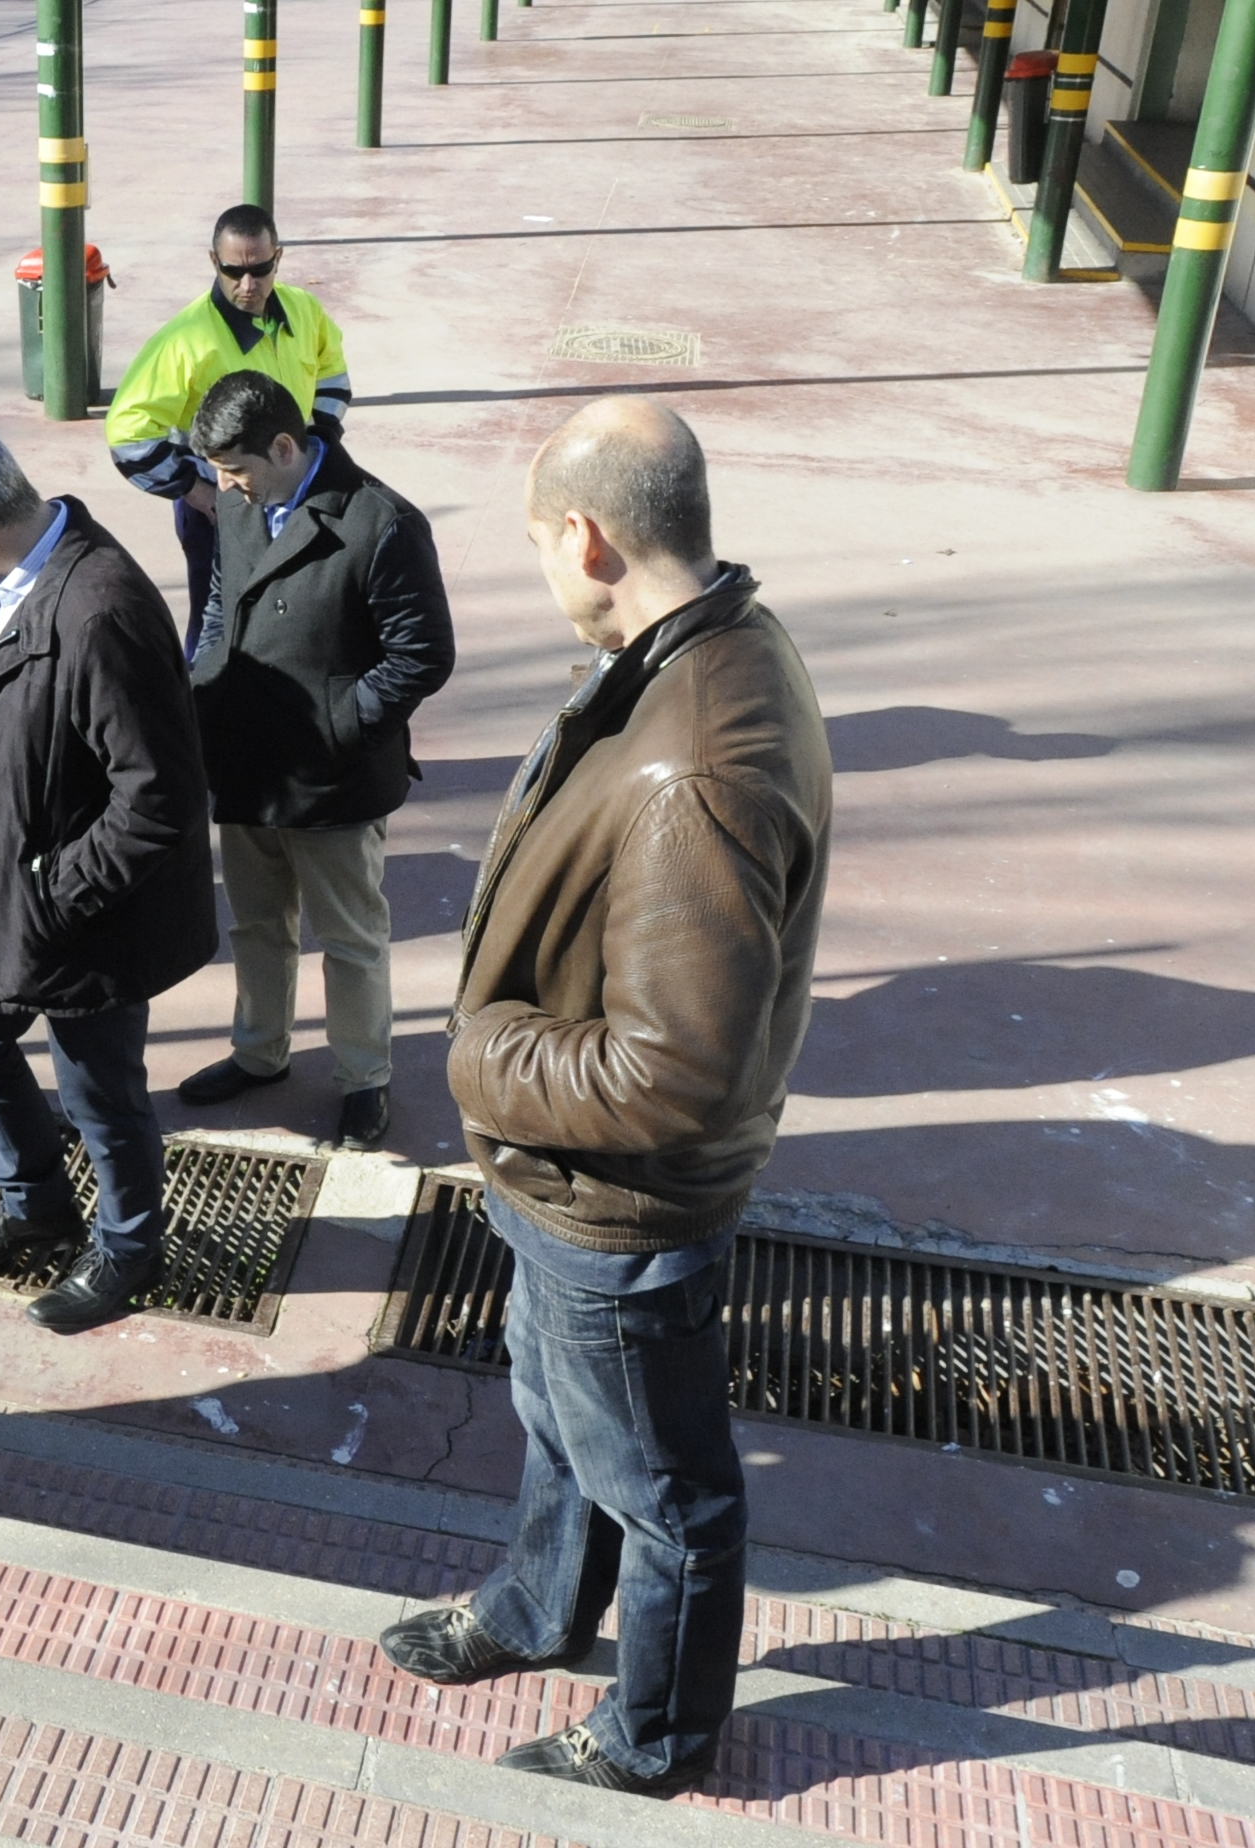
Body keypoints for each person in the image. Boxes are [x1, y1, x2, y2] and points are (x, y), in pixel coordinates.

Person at [376, 399, 832, 1799]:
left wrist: (474, 1056)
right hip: (561, 1182)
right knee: (557, 1414)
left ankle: (654, 1741)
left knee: (666, 1489)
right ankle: (538, 1610)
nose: (542, 571)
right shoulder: (710, 642)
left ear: (585, 536)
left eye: (536, 545)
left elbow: (672, 1073)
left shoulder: (694, 760)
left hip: (617, 1208)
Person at [0, 412, 216, 1333]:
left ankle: (130, 1248)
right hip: (9, 893)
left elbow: (160, 798)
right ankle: (36, 1205)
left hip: (85, 917)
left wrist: (53, 893)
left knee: (100, 1096)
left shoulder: (100, 611)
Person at [176, 373, 455, 1151]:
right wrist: (204, 689)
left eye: (236, 469)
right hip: (246, 764)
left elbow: (423, 655)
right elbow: (219, 605)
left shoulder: (381, 522)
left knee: (351, 937)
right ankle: (258, 1052)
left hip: (333, 778)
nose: (227, 486)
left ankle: (364, 1078)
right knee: (257, 924)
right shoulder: (238, 504)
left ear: (284, 447)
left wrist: (337, 726)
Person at [106, 203, 351, 649]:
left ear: (278, 257)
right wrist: (198, 493)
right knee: (218, 627)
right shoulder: (185, 340)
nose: (248, 285)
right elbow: (128, 434)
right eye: (233, 271)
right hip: (222, 508)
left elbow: (332, 375)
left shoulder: (304, 310)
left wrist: (318, 451)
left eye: (260, 270)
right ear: (213, 261)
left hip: (297, 495)